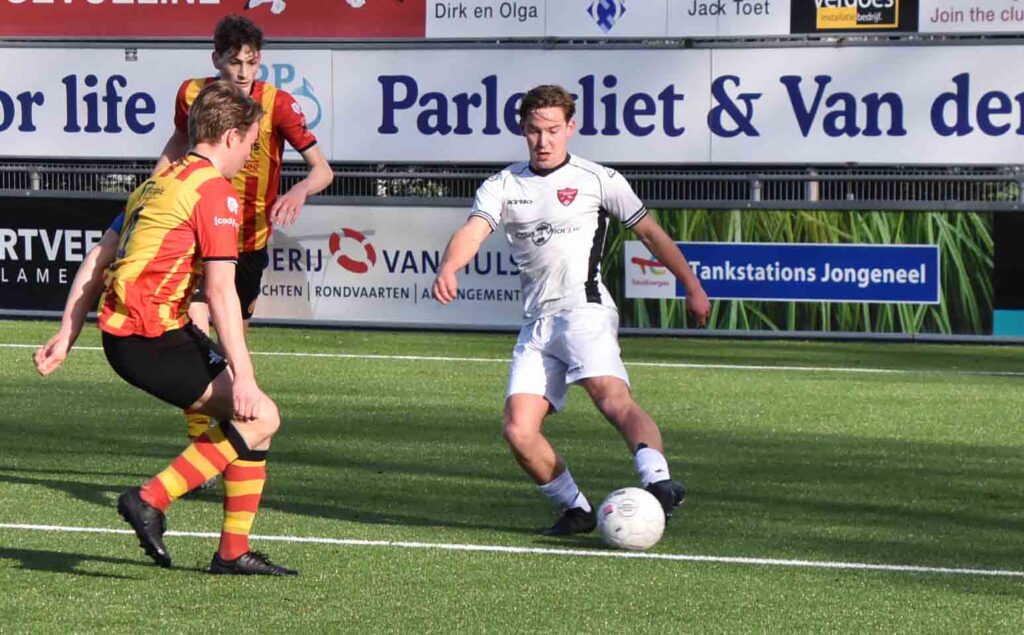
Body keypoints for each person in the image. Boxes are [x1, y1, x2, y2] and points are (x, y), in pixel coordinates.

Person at [35, 81, 296, 575]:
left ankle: (232, 552)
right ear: (231, 137)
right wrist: (244, 375)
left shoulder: (157, 182)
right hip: (149, 337)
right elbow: (221, 292)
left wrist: (68, 333)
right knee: (260, 415)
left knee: (254, 421)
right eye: (251, 143)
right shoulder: (214, 192)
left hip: (136, 333)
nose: (251, 155)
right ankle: (150, 499)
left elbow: (98, 257)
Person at [432, 84, 712, 536]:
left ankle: (659, 482)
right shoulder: (502, 185)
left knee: (610, 397)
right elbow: (473, 231)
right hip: (536, 323)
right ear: (522, 130)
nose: (543, 141)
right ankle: (577, 509)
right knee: (518, 430)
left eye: (553, 130)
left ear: (570, 128)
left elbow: (651, 235)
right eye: (534, 130)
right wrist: (450, 266)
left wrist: (692, 286)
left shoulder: (599, 179)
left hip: (585, 309)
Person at [154, 14, 333, 447]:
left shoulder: (278, 104)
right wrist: (154, 189)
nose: (243, 72)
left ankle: (221, 441)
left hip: (249, 241)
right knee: (198, 336)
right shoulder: (192, 94)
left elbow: (323, 170)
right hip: (197, 233)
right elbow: (176, 146)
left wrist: (299, 191)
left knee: (232, 352)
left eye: (251, 62)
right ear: (216, 59)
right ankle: (200, 446)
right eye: (234, 61)